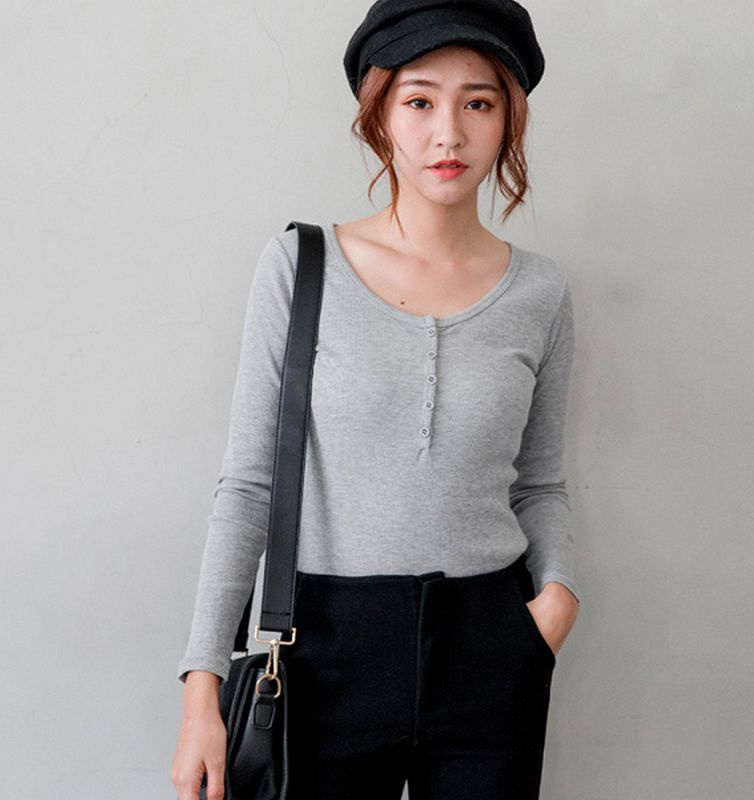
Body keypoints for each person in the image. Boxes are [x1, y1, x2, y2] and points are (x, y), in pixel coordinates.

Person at [171, 1, 581, 798]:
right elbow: (249, 486)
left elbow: (539, 482)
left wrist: (556, 600)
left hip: (491, 644)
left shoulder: (542, 292)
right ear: (380, 114)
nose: (448, 134)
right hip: (321, 654)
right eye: (420, 100)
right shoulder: (300, 267)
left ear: (509, 119)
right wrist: (202, 688)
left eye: (478, 103)